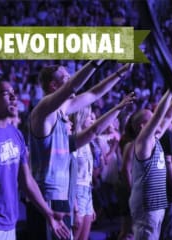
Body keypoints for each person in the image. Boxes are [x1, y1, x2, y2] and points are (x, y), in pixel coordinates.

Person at [28, 61, 132, 239]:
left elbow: (94, 95)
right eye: (66, 76)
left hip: (61, 195)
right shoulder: (43, 110)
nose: (71, 78)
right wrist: (96, 60)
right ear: (53, 85)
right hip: (46, 197)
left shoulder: (63, 113)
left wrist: (120, 74)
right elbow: (72, 86)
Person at [0, 77, 71, 240]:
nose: (14, 97)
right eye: (6, 93)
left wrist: (48, 213)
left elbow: (26, 181)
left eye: (14, 93)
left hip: (8, 222)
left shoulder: (15, 133)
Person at [70, 93, 134, 240]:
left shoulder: (89, 144)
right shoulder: (73, 141)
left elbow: (88, 176)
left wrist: (90, 203)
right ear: (81, 117)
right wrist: (75, 207)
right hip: (76, 192)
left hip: (86, 191)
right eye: (90, 117)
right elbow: (70, 176)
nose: (94, 120)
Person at [129, 90, 172, 240]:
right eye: (152, 119)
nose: (158, 121)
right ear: (143, 126)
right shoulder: (143, 142)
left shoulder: (154, 140)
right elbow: (161, 114)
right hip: (146, 206)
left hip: (156, 205)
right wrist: (170, 91)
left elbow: (167, 116)